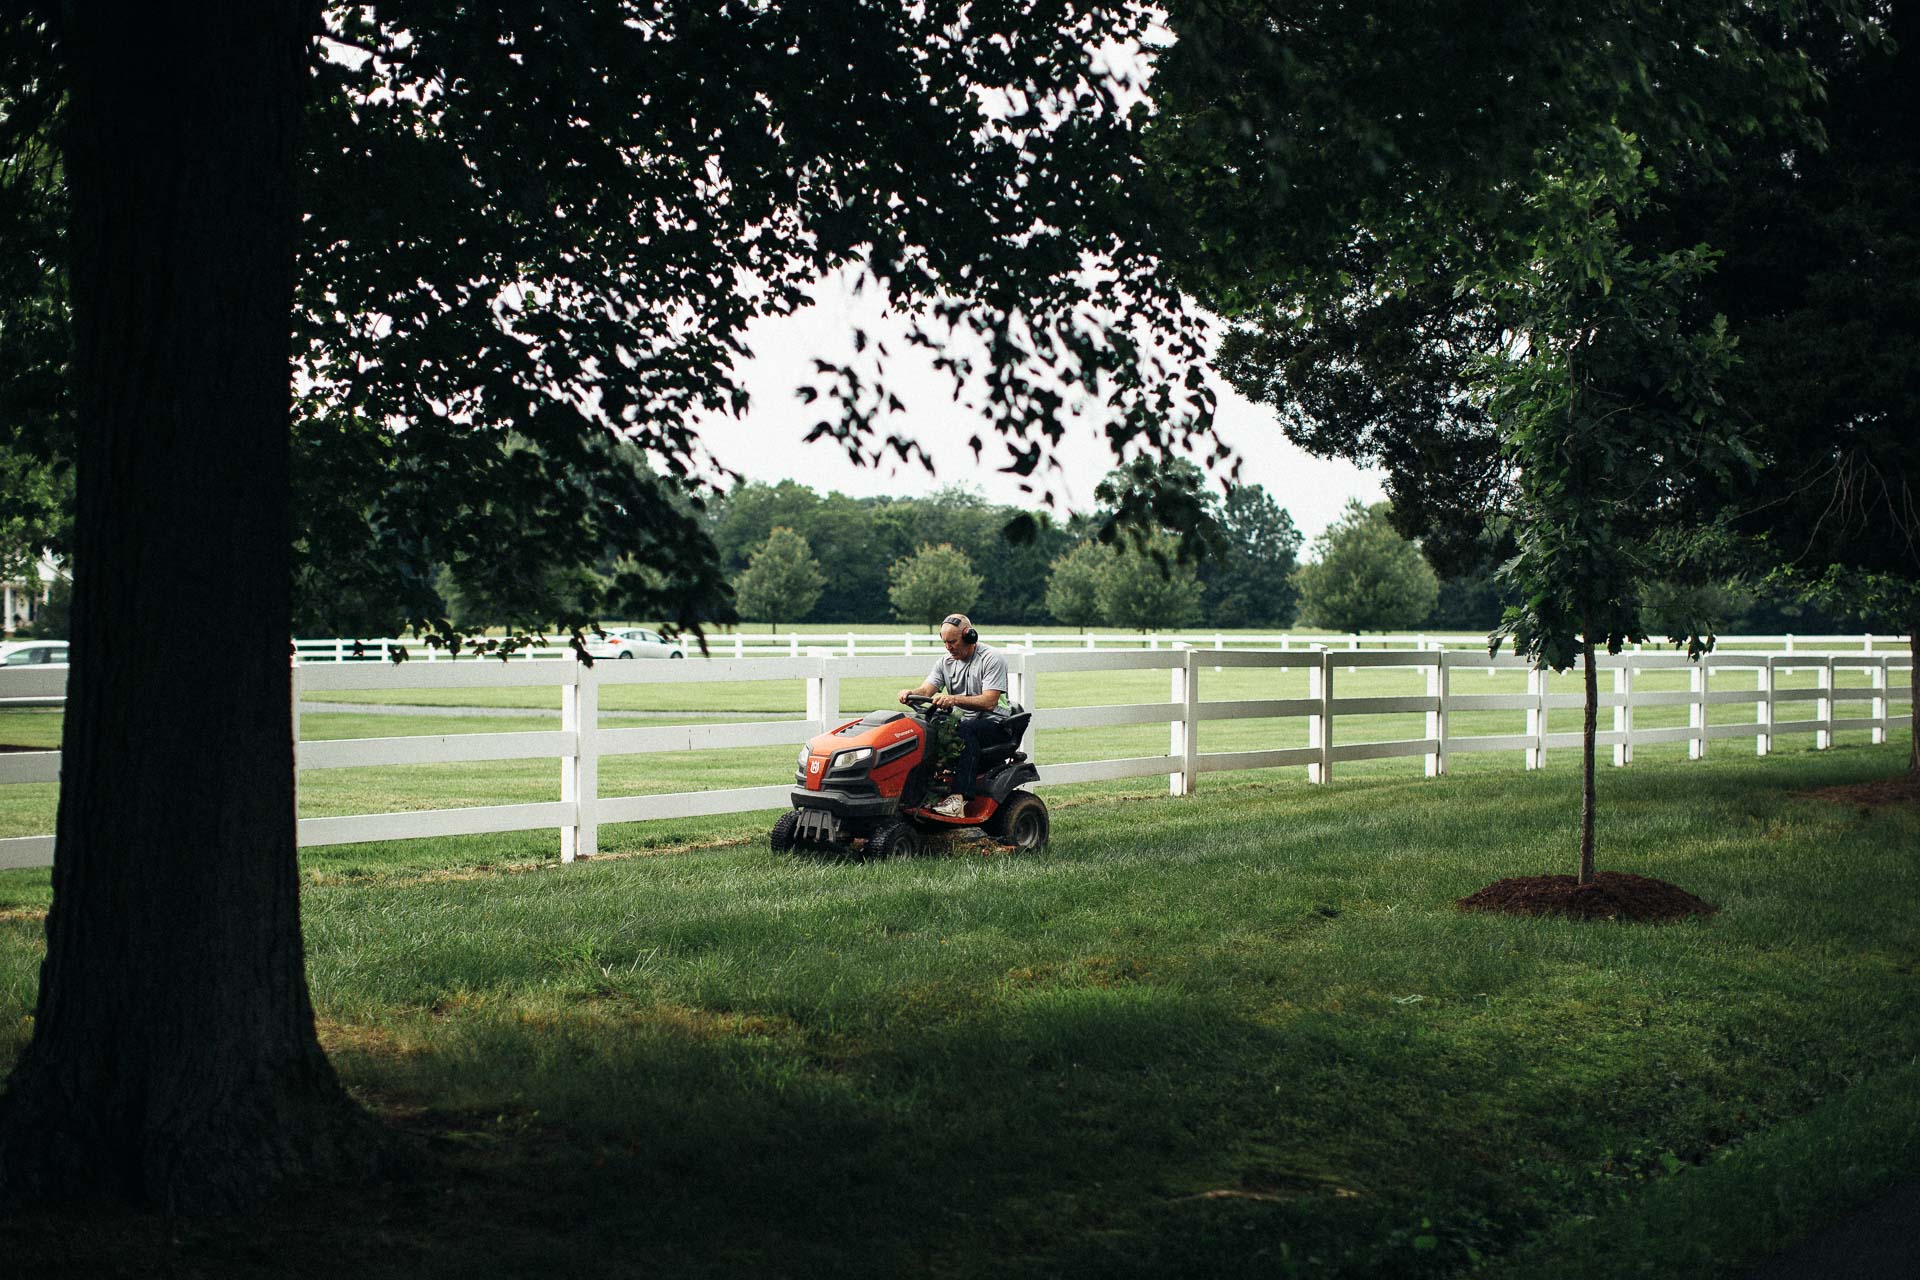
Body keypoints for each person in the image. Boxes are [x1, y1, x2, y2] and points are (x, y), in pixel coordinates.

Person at [896, 613, 1014, 817]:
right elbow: (926, 691)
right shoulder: (945, 662)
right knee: (924, 729)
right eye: (945, 642)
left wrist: (954, 699)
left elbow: (989, 701)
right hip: (963, 721)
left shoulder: (991, 659)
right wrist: (910, 693)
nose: (948, 647)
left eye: (952, 642)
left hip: (996, 723)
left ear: (969, 636)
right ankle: (916, 794)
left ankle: (958, 800)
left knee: (964, 730)